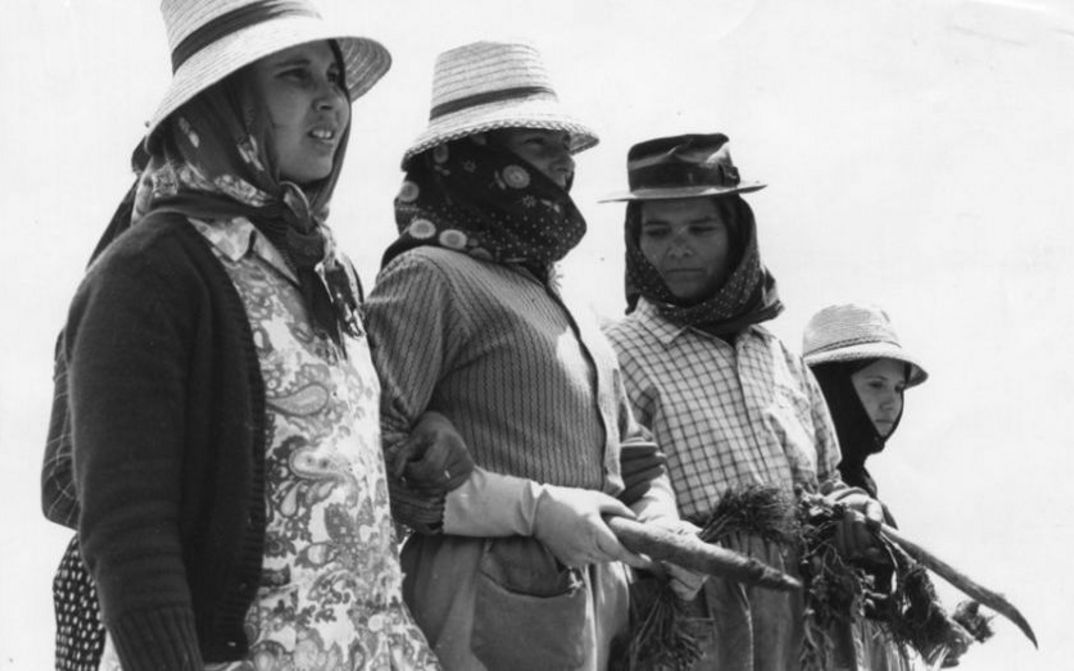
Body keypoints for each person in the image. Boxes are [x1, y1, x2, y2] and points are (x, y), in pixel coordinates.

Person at [41, 1, 457, 668]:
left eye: (334, 77)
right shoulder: (148, 274)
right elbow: (129, 529)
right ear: (223, 102)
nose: (331, 100)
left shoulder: (325, 265)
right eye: (295, 75)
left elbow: (317, 460)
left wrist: (420, 440)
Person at [362, 41, 698, 671]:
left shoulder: (563, 296)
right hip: (485, 590)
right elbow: (371, 458)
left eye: (564, 147)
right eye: (537, 145)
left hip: (596, 597)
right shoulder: (429, 275)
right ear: (474, 158)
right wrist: (533, 508)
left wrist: (661, 520)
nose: (563, 165)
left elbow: (631, 449)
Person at [601, 133, 882, 670]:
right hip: (698, 611)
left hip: (805, 611)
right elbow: (617, 488)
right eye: (657, 232)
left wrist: (853, 507)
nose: (677, 247)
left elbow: (827, 481)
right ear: (635, 243)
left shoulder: (779, 357)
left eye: (701, 229)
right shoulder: (617, 353)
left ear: (738, 236)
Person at [803, 303, 976, 668]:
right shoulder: (803, 483)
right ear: (829, 388)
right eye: (875, 384)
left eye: (898, 388)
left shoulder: (860, 485)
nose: (891, 402)